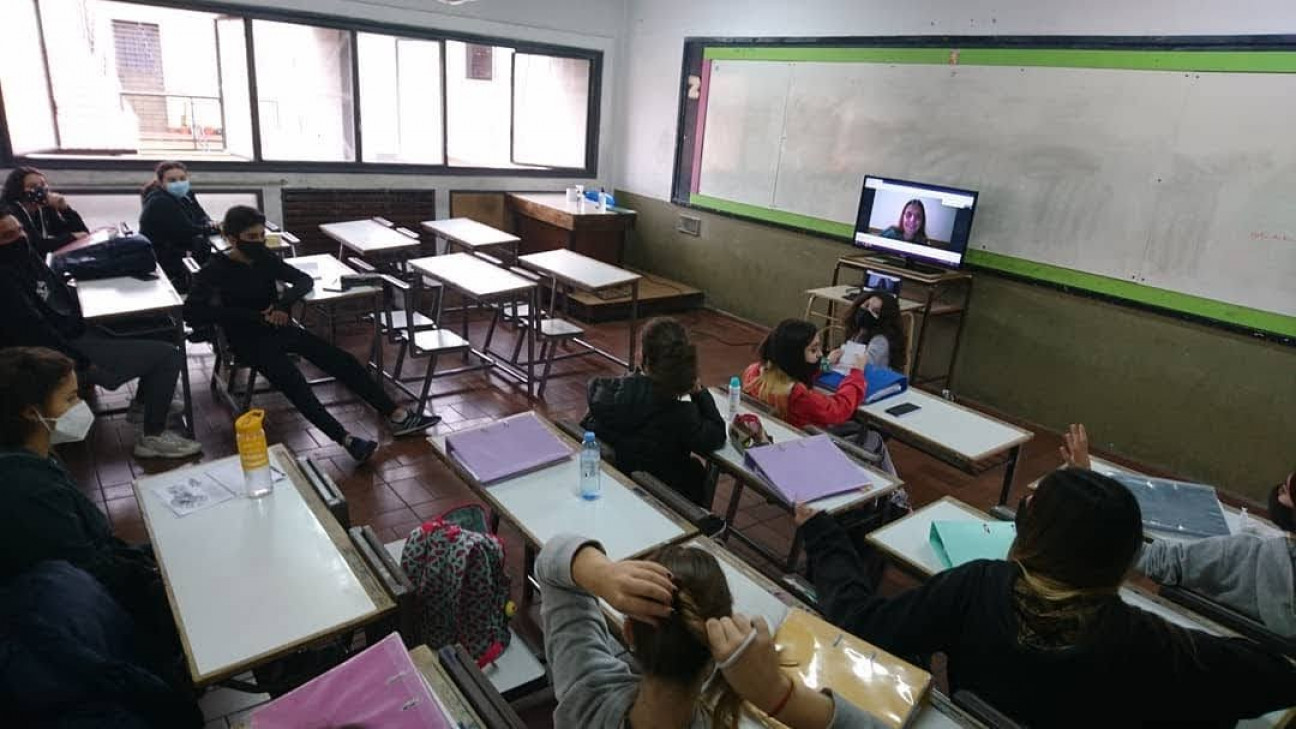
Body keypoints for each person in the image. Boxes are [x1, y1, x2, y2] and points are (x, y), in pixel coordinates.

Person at [796, 467, 1296, 726]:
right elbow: (1267, 677)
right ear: (1124, 562)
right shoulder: (1152, 644)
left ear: (1031, 539)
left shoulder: (975, 588)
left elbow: (861, 620)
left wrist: (824, 535)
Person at [536, 534, 886, 728]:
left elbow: (552, 562)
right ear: (719, 653)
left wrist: (602, 574)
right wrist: (778, 694)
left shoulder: (586, 701)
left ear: (628, 631)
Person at [184, 205, 438, 463]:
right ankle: (347, 439)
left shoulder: (264, 258)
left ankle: (398, 416)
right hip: (247, 340)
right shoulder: (215, 269)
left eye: (261, 235)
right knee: (296, 385)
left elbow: (303, 280)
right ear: (231, 238)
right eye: (252, 237)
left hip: (278, 328)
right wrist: (251, 315)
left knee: (342, 361)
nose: (259, 242)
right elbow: (192, 313)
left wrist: (284, 304)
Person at [0, 347, 188, 694]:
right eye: (70, 399)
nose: (80, 407)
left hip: (103, 585)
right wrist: (157, 568)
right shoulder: (24, 488)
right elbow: (89, 569)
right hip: (96, 618)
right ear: (30, 412)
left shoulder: (38, 459)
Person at [1060, 424, 1296, 638]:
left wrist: (1089, 485)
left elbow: (1143, 557)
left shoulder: (1243, 554)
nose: (1280, 490)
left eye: (1286, 492)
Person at [0, 211, 200, 458]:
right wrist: (83, 362)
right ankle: (152, 437)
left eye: (20, 230)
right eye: (9, 235)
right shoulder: (6, 284)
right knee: (169, 356)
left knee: (164, 330)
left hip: (80, 333)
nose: (20, 237)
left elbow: (59, 295)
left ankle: (143, 405)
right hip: (64, 352)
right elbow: (37, 332)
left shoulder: (28, 258)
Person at [581, 318, 726, 507]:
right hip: (661, 501)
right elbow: (716, 435)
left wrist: (631, 377)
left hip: (610, 490)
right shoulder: (682, 416)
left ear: (643, 358)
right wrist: (700, 393)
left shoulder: (605, 394)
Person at [742, 319, 896, 475]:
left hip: (780, 443)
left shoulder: (755, 373)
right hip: (805, 452)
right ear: (794, 357)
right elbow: (839, 408)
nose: (821, 354)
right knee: (874, 439)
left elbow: (799, 371)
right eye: (813, 350)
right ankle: (896, 497)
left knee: (856, 428)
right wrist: (857, 374)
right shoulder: (798, 395)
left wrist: (826, 363)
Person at [139, 161, 219, 292]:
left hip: (182, 247)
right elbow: (187, 231)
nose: (179, 183)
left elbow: (201, 215)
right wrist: (212, 228)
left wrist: (209, 224)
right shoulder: (160, 201)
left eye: (182, 179)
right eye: (172, 180)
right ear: (161, 183)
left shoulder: (187, 194)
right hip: (165, 256)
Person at [1, 166, 90, 255]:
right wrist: (72, 237)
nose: (40, 189)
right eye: (33, 186)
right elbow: (36, 244)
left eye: (43, 184)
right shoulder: (11, 211)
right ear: (18, 189)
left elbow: (82, 233)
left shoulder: (44, 208)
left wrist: (65, 209)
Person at [842, 291, 907, 372]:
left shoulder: (880, 341)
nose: (867, 312)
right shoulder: (861, 331)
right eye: (866, 305)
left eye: (875, 311)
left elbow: (862, 367)